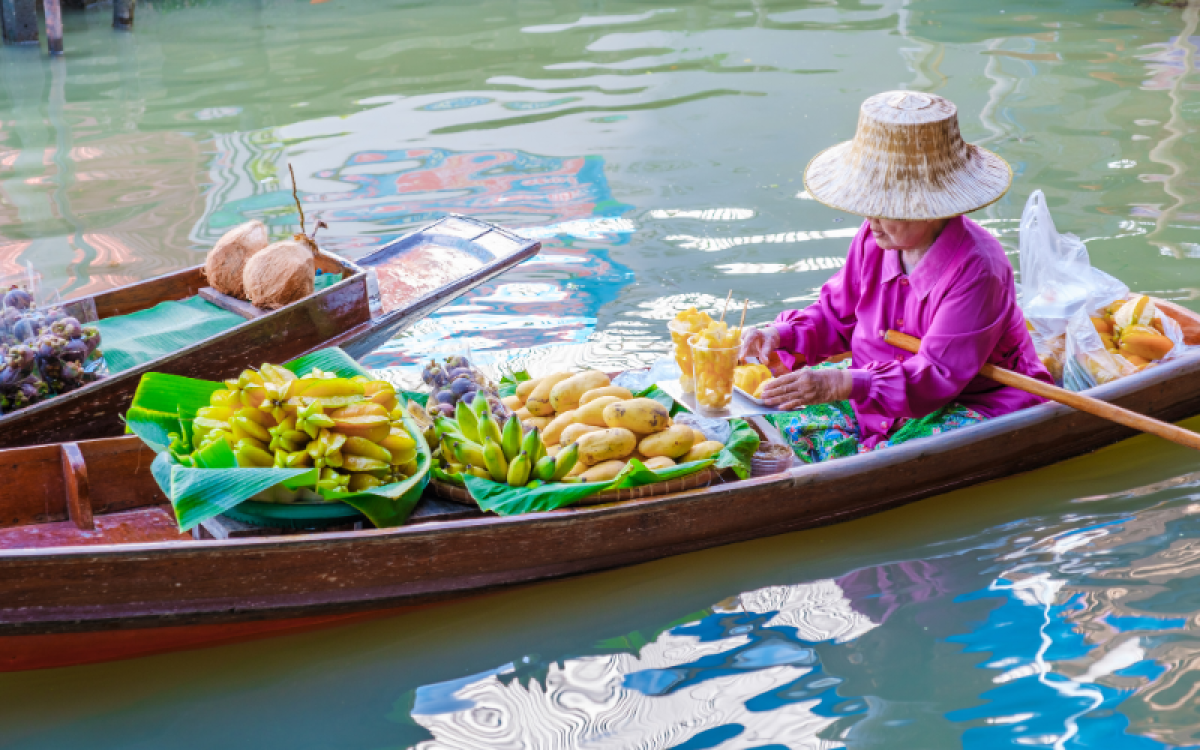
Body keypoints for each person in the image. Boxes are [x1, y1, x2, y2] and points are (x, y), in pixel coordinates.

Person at [740, 91, 1052, 462]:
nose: (871, 221)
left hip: (968, 399)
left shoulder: (978, 269)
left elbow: (938, 374)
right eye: (868, 206)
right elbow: (837, 315)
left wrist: (841, 383)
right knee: (770, 417)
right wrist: (780, 335)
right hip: (876, 398)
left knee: (885, 459)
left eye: (887, 209)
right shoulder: (876, 238)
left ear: (930, 208)